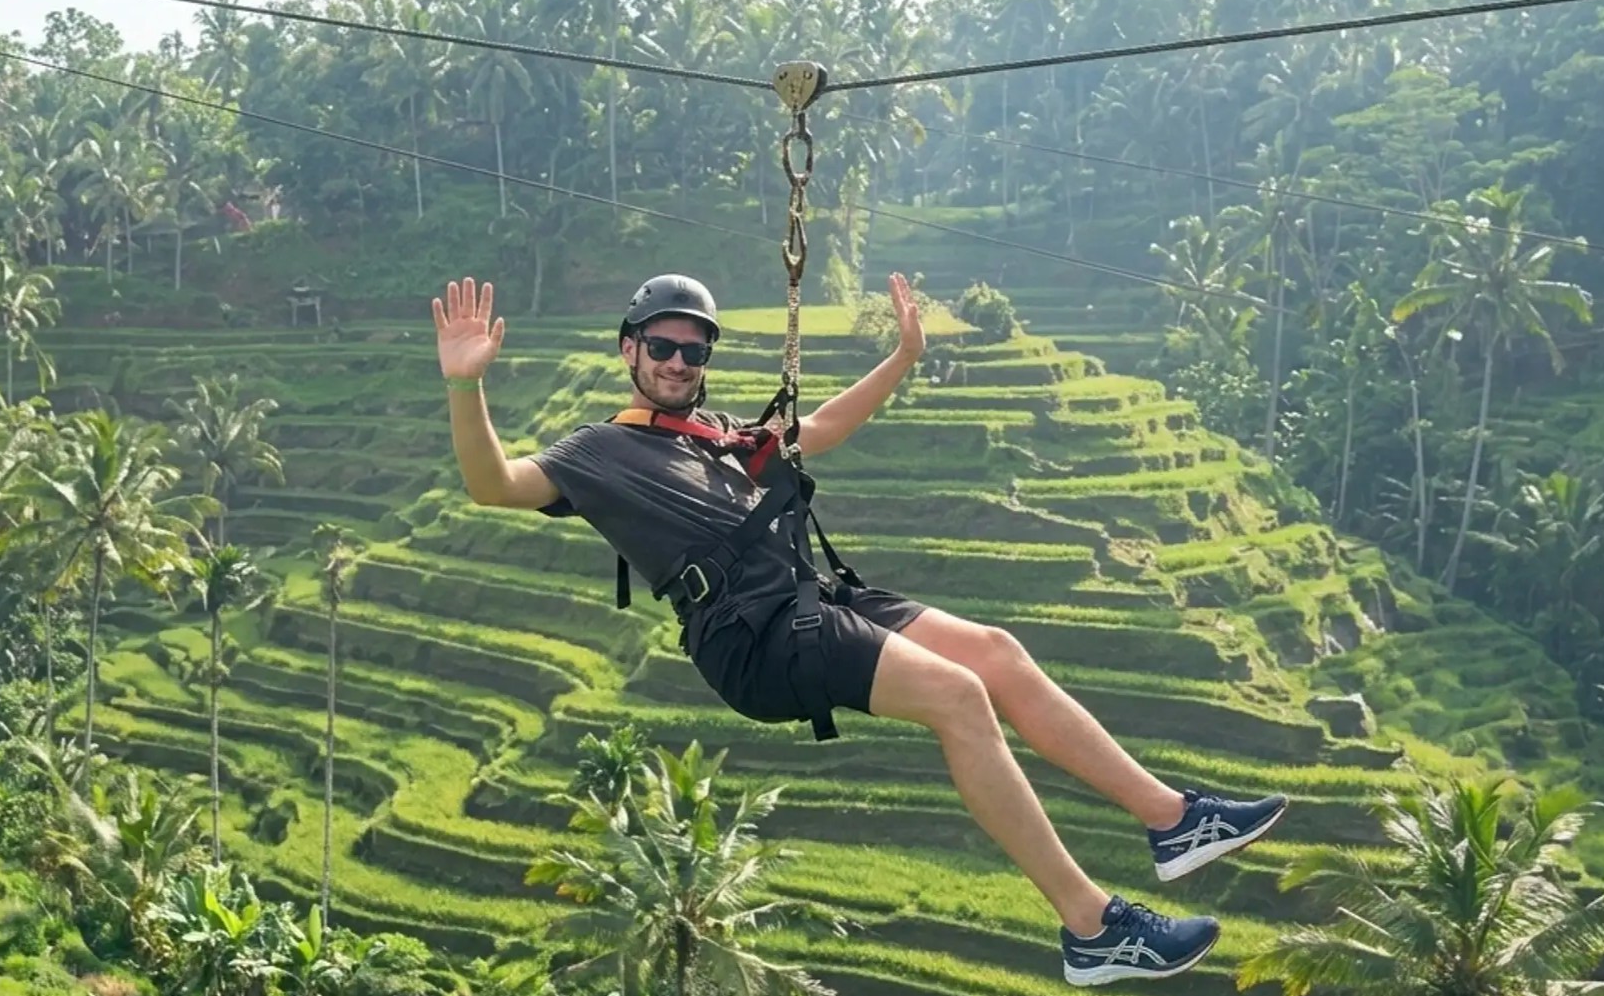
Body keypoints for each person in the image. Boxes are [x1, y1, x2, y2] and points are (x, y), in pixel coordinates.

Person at [432, 272, 1288, 987]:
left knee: (995, 653)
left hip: (810, 600)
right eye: (662, 346)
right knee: (958, 696)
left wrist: (902, 357)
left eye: (694, 350)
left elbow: (825, 427)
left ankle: (1173, 820)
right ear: (630, 350)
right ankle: (1093, 926)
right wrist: (467, 383)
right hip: (755, 640)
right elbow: (492, 483)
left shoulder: (719, 437)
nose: (678, 361)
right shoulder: (598, 452)